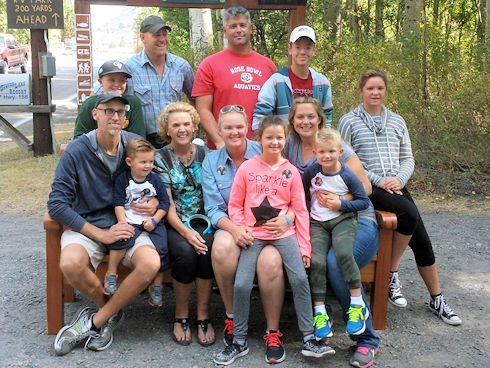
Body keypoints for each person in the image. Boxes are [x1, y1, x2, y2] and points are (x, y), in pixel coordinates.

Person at [337, 68, 462, 327]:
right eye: (370, 88)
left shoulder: (397, 121)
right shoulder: (348, 121)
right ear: (361, 90)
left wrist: (399, 180)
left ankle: (436, 298)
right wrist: (377, 180)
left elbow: (408, 158)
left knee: (423, 241)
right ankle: (391, 273)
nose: (375, 92)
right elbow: (345, 162)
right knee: (408, 214)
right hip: (370, 189)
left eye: (380, 88)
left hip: (396, 186)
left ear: (385, 91)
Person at [214, 116, 333, 365]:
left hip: (285, 236)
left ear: (285, 138)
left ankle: (309, 339)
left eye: (280, 137)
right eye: (269, 137)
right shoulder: (248, 168)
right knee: (242, 284)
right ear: (258, 139)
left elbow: (299, 210)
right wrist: (241, 228)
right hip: (253, 236)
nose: (275, 142)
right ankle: (239, 341)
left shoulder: (290, 171)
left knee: (300, 279)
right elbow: (235, 204)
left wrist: (304, 247)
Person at [47, 92, 161, 355]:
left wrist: (155, 204)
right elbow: (57, 204)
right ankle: (112, 312)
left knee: (150, 263)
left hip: (129, 224)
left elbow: (159, 183)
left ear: (126, 118)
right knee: (70, 263)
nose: (115, 116)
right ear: (95, 114)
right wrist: (100, 234)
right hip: (90, 224)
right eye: (108, 110)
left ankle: (98, 319)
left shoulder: (135, 145)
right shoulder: (77, 150)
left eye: (120, 112)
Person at [283, 96, 380, 368]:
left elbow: (366, 189)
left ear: (320, 119)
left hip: (355, 218)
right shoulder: (288, 146)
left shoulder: (338, 147)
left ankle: (367, 339)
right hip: (314, 222)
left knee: (335, 263)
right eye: (299, 117)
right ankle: (322, 323)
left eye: (310, 116)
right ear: (292, 121)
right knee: (313, 261)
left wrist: (337, 200)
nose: (305, 121)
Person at [202, 105, 291, 363]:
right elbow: (213, 208)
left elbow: (288, 193)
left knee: (271, 262)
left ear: (248, 129)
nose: (234, 132)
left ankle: (272, 331)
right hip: (231, 224)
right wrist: (234, 229)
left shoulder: (265, 150)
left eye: (239, 126)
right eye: (228, 127)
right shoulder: (211, 161)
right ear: (219, 130)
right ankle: (232, 317)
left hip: (267, 227)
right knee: (221, 248)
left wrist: (285, 220)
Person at [153, 101, 215, 346]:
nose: (182, 129)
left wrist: (203, 229)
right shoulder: (161, 158)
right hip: (174, 220)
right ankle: (180, 315)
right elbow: (165, 203)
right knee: (184, 252)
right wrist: (187, 233)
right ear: (167, 129)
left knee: (208, 250)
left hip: (205, 219)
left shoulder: (205, 154)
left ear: (194, 127)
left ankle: (203, 315)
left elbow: (213, 192)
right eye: (175, 125)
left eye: (186, 124)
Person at [303, 128, 370, 339]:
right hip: (318, 223)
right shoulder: (311, 173)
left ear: (340, 152)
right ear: (315, 152)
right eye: (322, 152)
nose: (327, 156)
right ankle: (320, 312)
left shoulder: (347, 175)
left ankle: (358, 305)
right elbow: (303, 197)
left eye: (331, 151)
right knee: (317, 262)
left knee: (342, 254)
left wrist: (340, 204)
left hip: (343, 219)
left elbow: (363, 201)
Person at [95, 15, 195, 148]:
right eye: (156, 35)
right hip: (141, 143)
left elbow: (195, 99)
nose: (162, 39)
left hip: (176, 142)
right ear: (142, 37)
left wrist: (192, 130)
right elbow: (96, 96)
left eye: (164, 34)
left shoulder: (181, 66)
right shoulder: (128, 68)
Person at [192, 6, 277, 149]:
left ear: (250, 28)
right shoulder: (209, 64)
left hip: (261, 149)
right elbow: (202, 109)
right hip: (223, 150)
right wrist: (220, 142)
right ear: (225, 31)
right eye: (233, 26)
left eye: (242, 25)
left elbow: (276, 109)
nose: (238, 30)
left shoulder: (268, 66)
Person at [106, 138, 170, 308]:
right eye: (143, 162)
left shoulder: (154, 180)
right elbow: (118, 203)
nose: (148, 166)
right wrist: (122, 222)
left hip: (151, 221)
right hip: (130, 220)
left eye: (150, 161)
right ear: (129, 162)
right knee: (121, 239)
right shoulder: (123, 180)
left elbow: (165, 203)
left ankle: (157, 286)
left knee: (163, 248)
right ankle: (111, 272)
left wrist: (155, 220)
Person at [252, 25, 333, 131]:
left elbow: (326, 118)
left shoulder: (322, 83)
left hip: (313, 144)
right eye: (298, 47)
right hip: (283, 145)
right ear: (290, 49)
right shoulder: (276, 81)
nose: (303, 52)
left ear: (314, 50)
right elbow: (260, 117)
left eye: (308, 47)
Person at [74, 59, 145, 138]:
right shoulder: (90, 104)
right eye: (111, 80)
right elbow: (79, 136)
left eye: (122, 80)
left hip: (126, 148)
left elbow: (138, 138)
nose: (117, 84)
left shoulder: (132, 102)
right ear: (100, 82)